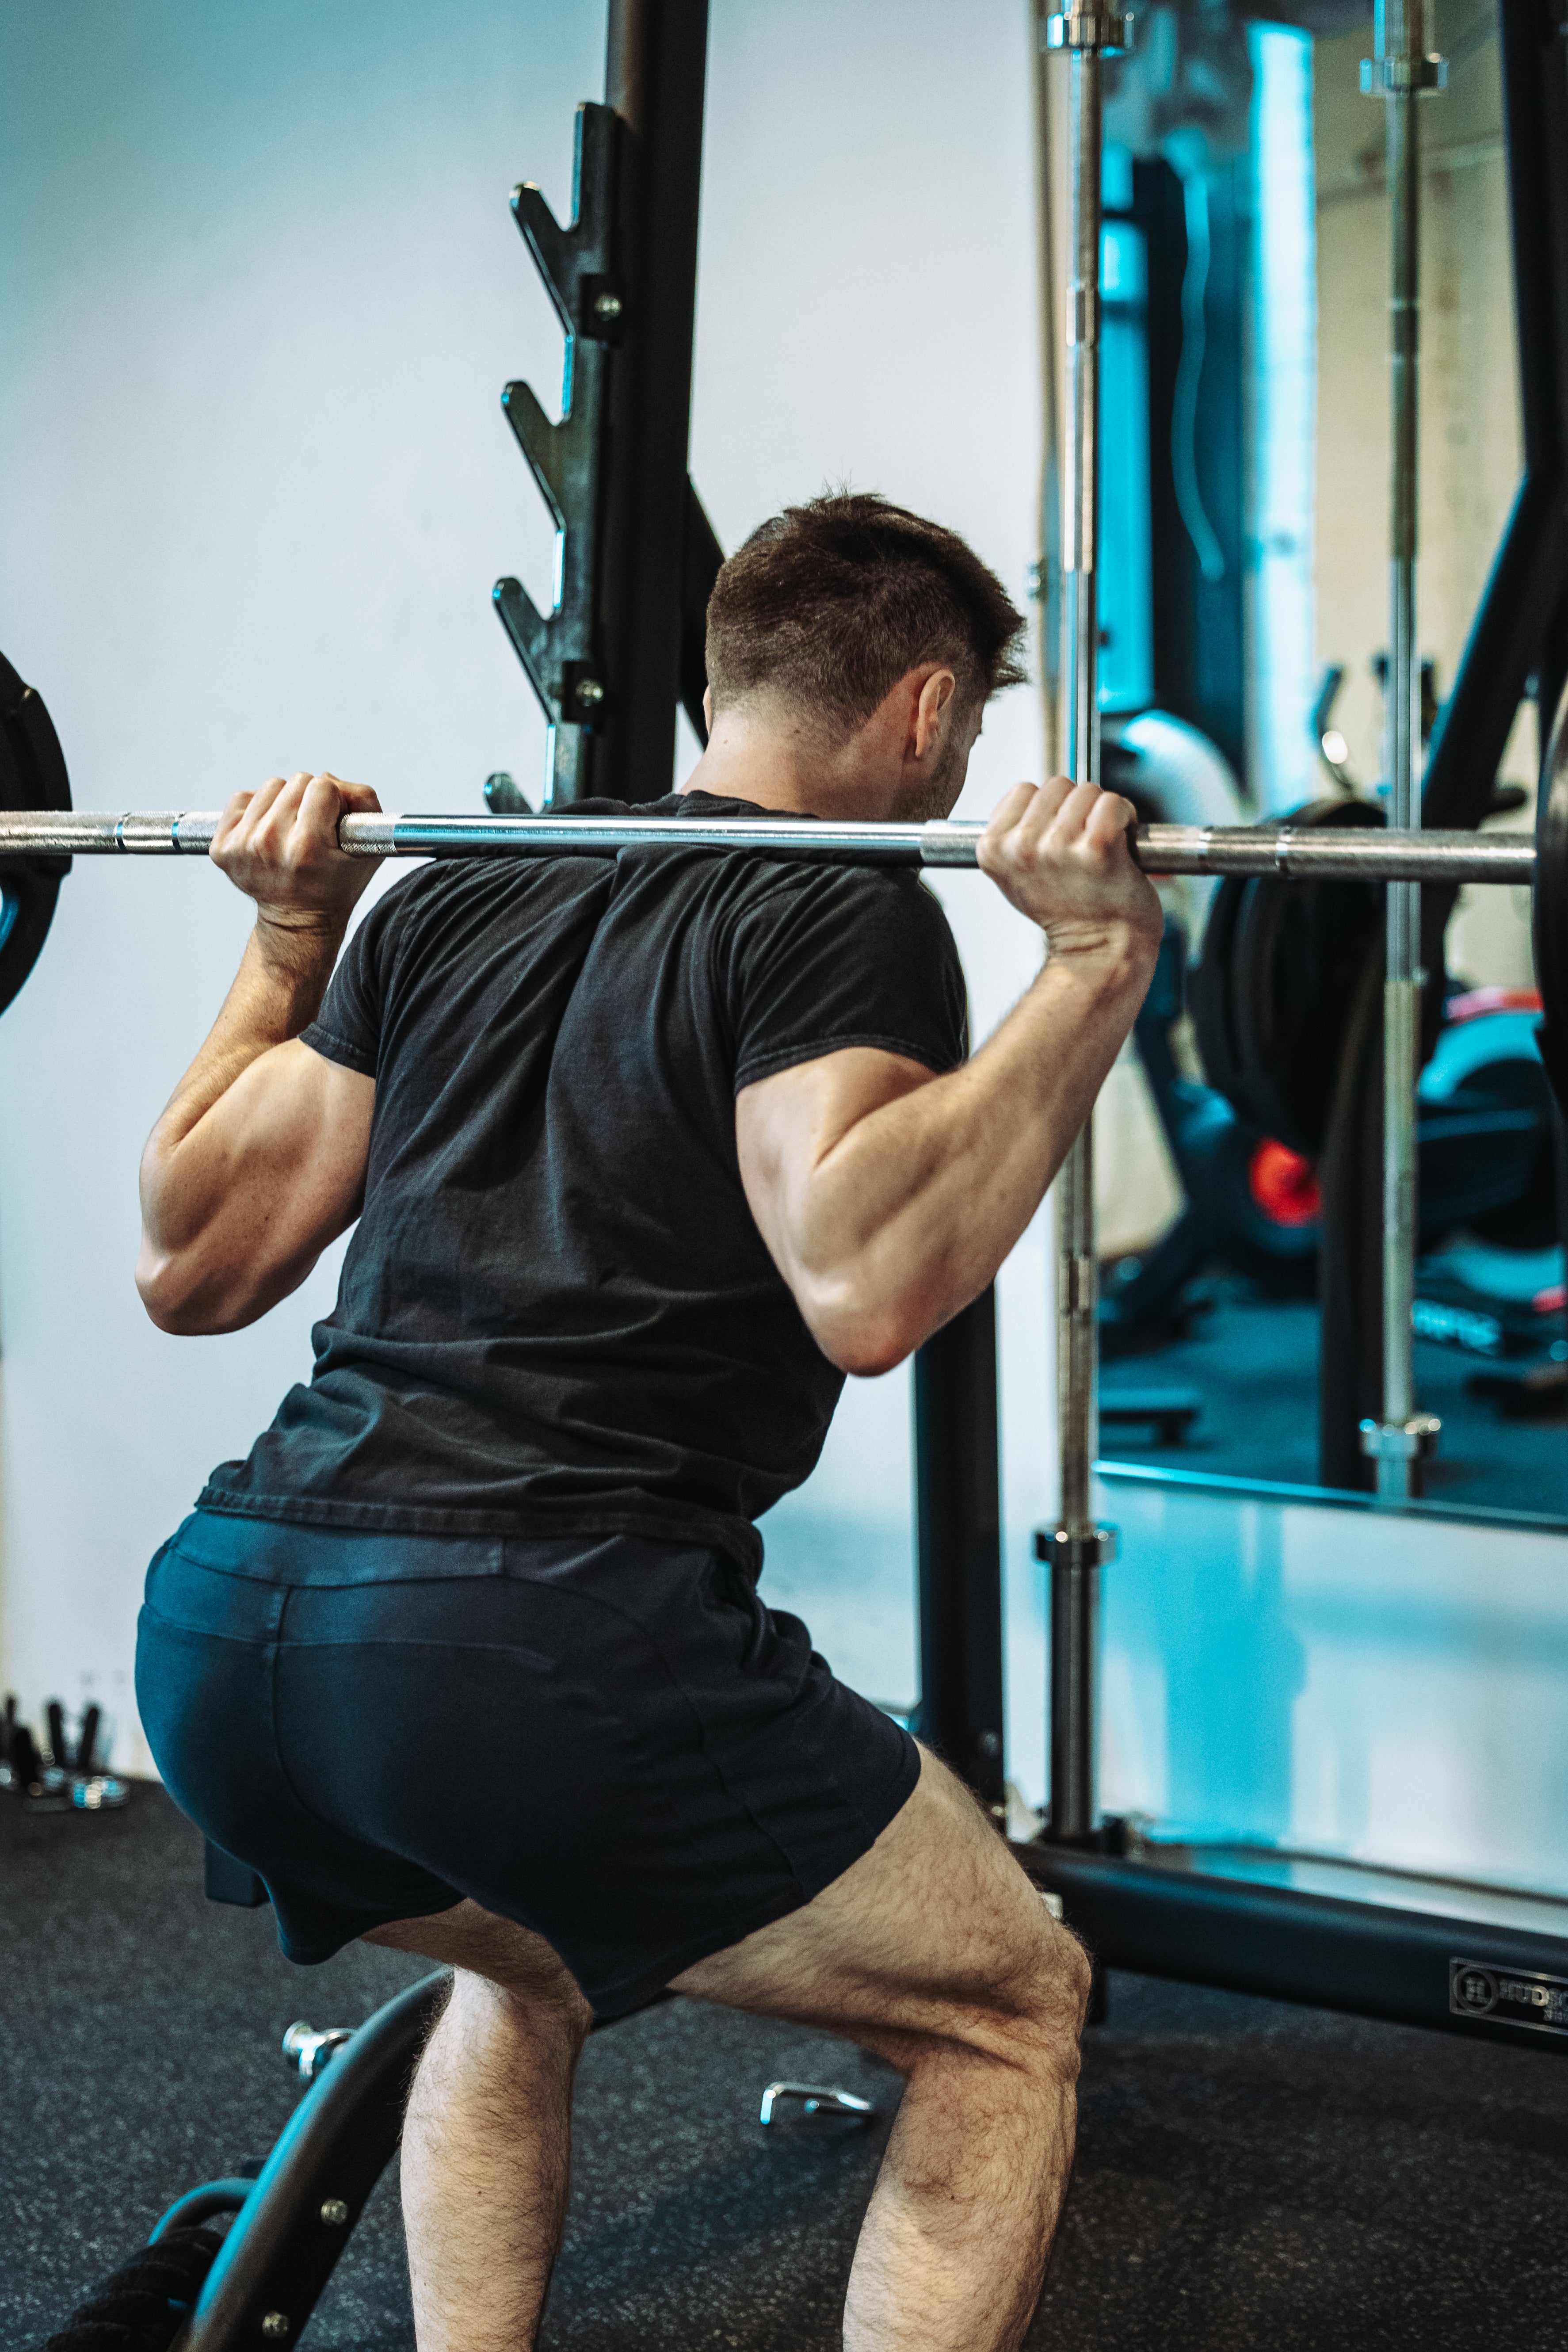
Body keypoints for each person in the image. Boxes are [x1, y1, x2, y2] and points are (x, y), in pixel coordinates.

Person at [133, 492, 1163, 2352]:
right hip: (523, 1654)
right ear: (925, 715)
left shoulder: (460, 888)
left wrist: (292, 934)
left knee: (526, 1960)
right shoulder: (836, 905)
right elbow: (862, 1285)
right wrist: (1088, 972)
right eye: (969, 744)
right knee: (1008, 2005)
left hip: (227, 1626)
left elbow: (190, 1259)